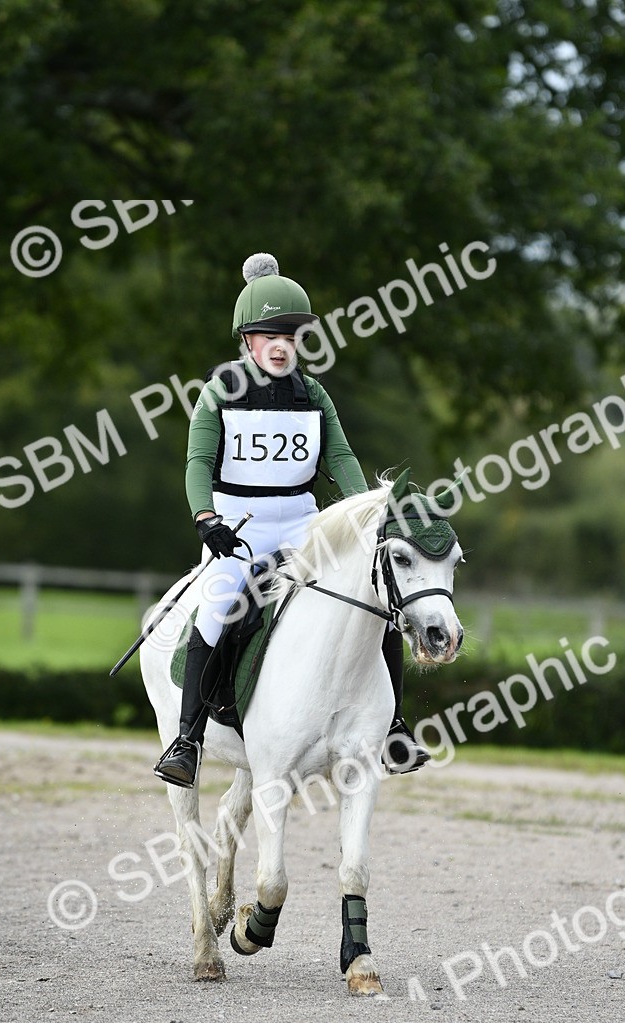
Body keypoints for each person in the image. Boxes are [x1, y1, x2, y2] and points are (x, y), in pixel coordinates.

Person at [154, 252, 429, 787]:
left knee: (379, 597)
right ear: (247, 341)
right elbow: (197, 463)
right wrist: (205, 517)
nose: (282, 347)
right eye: (269, 336)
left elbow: (342, 458)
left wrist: (371, 513)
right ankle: (186, 740)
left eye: (292, 337)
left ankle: (393, 727)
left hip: (305, 522)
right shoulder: (219, 393)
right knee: (215, 611)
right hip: (240, 524)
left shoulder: (313, 393)